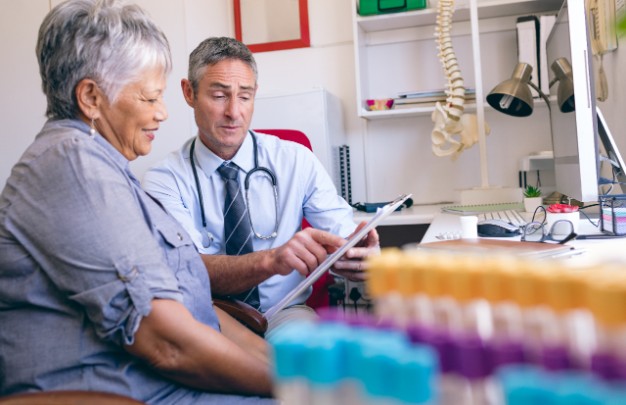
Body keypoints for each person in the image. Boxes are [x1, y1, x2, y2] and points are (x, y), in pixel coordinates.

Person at [0, 1, 307, 403]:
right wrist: (300, 391)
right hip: (144, 394)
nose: (163, 113)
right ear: (90, 97)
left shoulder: (108, 167)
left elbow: (202, 309)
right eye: (149, 98)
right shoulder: (72, 166)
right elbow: (167, 343)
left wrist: (293, 376)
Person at [142, 37, 380, 336]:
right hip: (206, 317)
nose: (234, 112)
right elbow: (189, 271)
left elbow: (342, 233)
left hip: (283, 313)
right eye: (219, 95)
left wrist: (358, 254)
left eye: (245, 96)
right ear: (189, 93)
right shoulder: (163, 181)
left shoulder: (295, 160)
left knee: (305, 366)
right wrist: (271, 261)